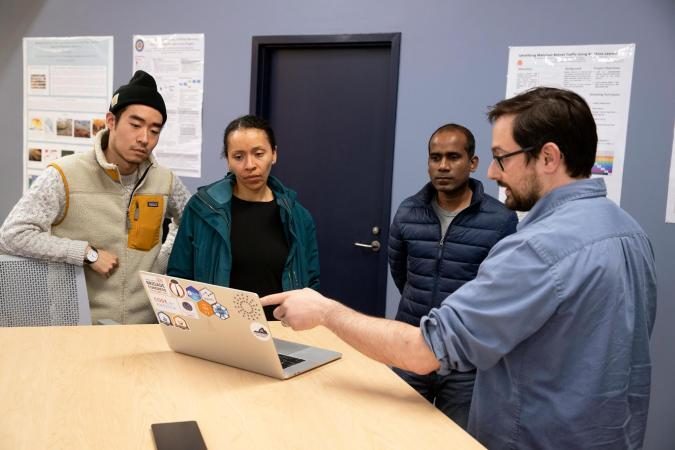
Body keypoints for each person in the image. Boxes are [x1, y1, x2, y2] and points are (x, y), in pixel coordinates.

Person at [261, 87, 657, 449]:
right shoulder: (629, 231)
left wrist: (326, 311)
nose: (493, 172)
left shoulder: (536, 248)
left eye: (502, 157)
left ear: (549, 157)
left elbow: (425, 351)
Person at [0, 70, 191, 324]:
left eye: (154, 130)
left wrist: (164, 259)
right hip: (79, 326)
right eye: (135, 125)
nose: (144, 138)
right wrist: (84, 253)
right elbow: (13, 235)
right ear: (111, 121)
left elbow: (190, 222)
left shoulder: (164, 180)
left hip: (145, 325)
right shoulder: (64, 175)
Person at [388, 123, 517, 427]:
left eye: (453, 157)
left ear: (472, 163)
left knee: (456, 439)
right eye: (435, 158)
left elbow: (499, 292)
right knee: (397, 435)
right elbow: (400, 272)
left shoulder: (500, 220)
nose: (443, 166)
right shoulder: (408, 212)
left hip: (465, 361)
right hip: (411, 347)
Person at [167, 115, 319, 320]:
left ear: (274, 154)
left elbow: (311, 285)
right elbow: (179, 276)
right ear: (228, 161)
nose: (250, 165)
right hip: (218, 331)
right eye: (238, 157)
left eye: (259, 154)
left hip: (282, 332)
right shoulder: (202, 209)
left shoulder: (299, 217)